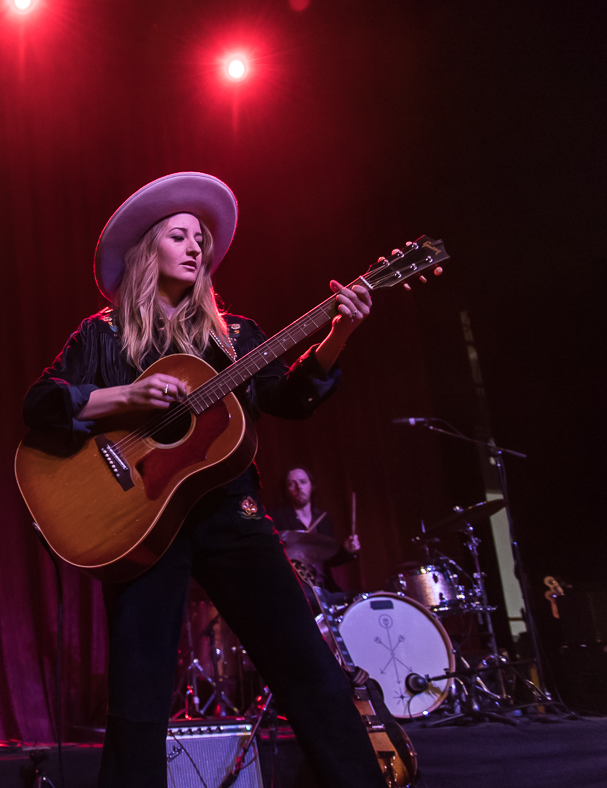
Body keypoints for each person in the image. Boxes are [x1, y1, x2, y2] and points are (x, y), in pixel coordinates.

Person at [22, 173, 384, 787]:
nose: (196, 247)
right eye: (179, 234)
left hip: (231, 515)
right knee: (139, 690)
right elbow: (41, 404)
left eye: (201, 239)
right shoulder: (102, 334)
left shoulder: (235, 335)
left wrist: (337, 334)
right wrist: (124, 395)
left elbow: (290, 397)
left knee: (307, 666)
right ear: (147, 249)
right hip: (138, 522)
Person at [269, 466, 360, 598]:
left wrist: (347, 550)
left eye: (303, 482)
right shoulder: (277, 517)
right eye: (291, 484)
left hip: (324, 589)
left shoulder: (323, 518)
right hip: (296, 591)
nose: (299, 487)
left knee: (363, 599)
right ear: (287, 491)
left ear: (312, 486)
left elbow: (329, 559)